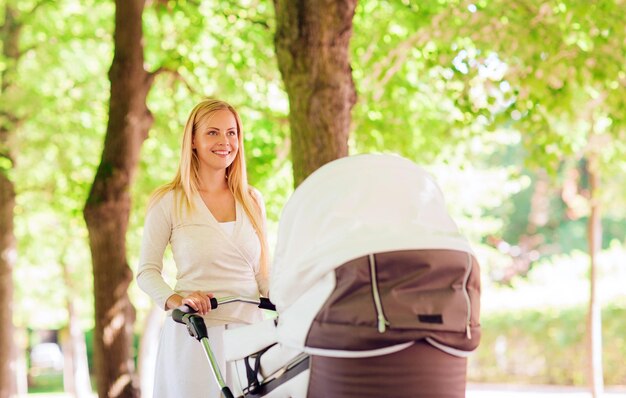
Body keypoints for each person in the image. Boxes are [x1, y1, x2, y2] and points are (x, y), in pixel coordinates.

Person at [136, 98, 269, 398]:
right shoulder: (169, 201)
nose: (225, 141)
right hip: (196, 337)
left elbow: (263, 275)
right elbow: (147, 272)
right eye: (213, 132)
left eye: (232, 132)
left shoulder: (252, 200)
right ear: (193, 140)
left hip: (250, 337)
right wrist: (178, 299)